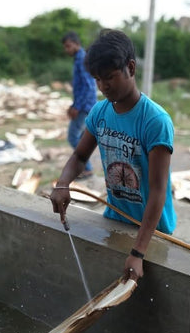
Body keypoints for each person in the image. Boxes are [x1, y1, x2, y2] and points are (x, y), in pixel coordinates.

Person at [51, 29, 177, 282]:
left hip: (152, 231)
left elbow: (157, 190)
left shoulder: (155, 121)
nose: (102, 86)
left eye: (109, 77)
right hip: (114, 219)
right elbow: (79, 155)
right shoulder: (100, 112)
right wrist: (63, 183)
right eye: (97, 79)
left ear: (131, 68)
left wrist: (138, 252)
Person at [62, 31, 97, 179]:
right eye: (65, 47)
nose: (67, 50)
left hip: (85, 106)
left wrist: (77, 106)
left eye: (69, 46)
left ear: (77, 44)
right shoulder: (78, 59)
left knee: (72, 136)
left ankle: (87, 168)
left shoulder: (82, 59)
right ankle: (85, 168)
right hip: (83, 104)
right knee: (82, 138)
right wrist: (74, 104)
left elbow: (89, 86)